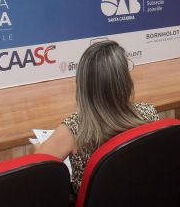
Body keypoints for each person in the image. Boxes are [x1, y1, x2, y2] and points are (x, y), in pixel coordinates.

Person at [34, 40, 160, 193]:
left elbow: (36, 172)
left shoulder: (75, 129)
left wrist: (38, 148)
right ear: (125, 81)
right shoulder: (149, 114)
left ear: (83, 84)